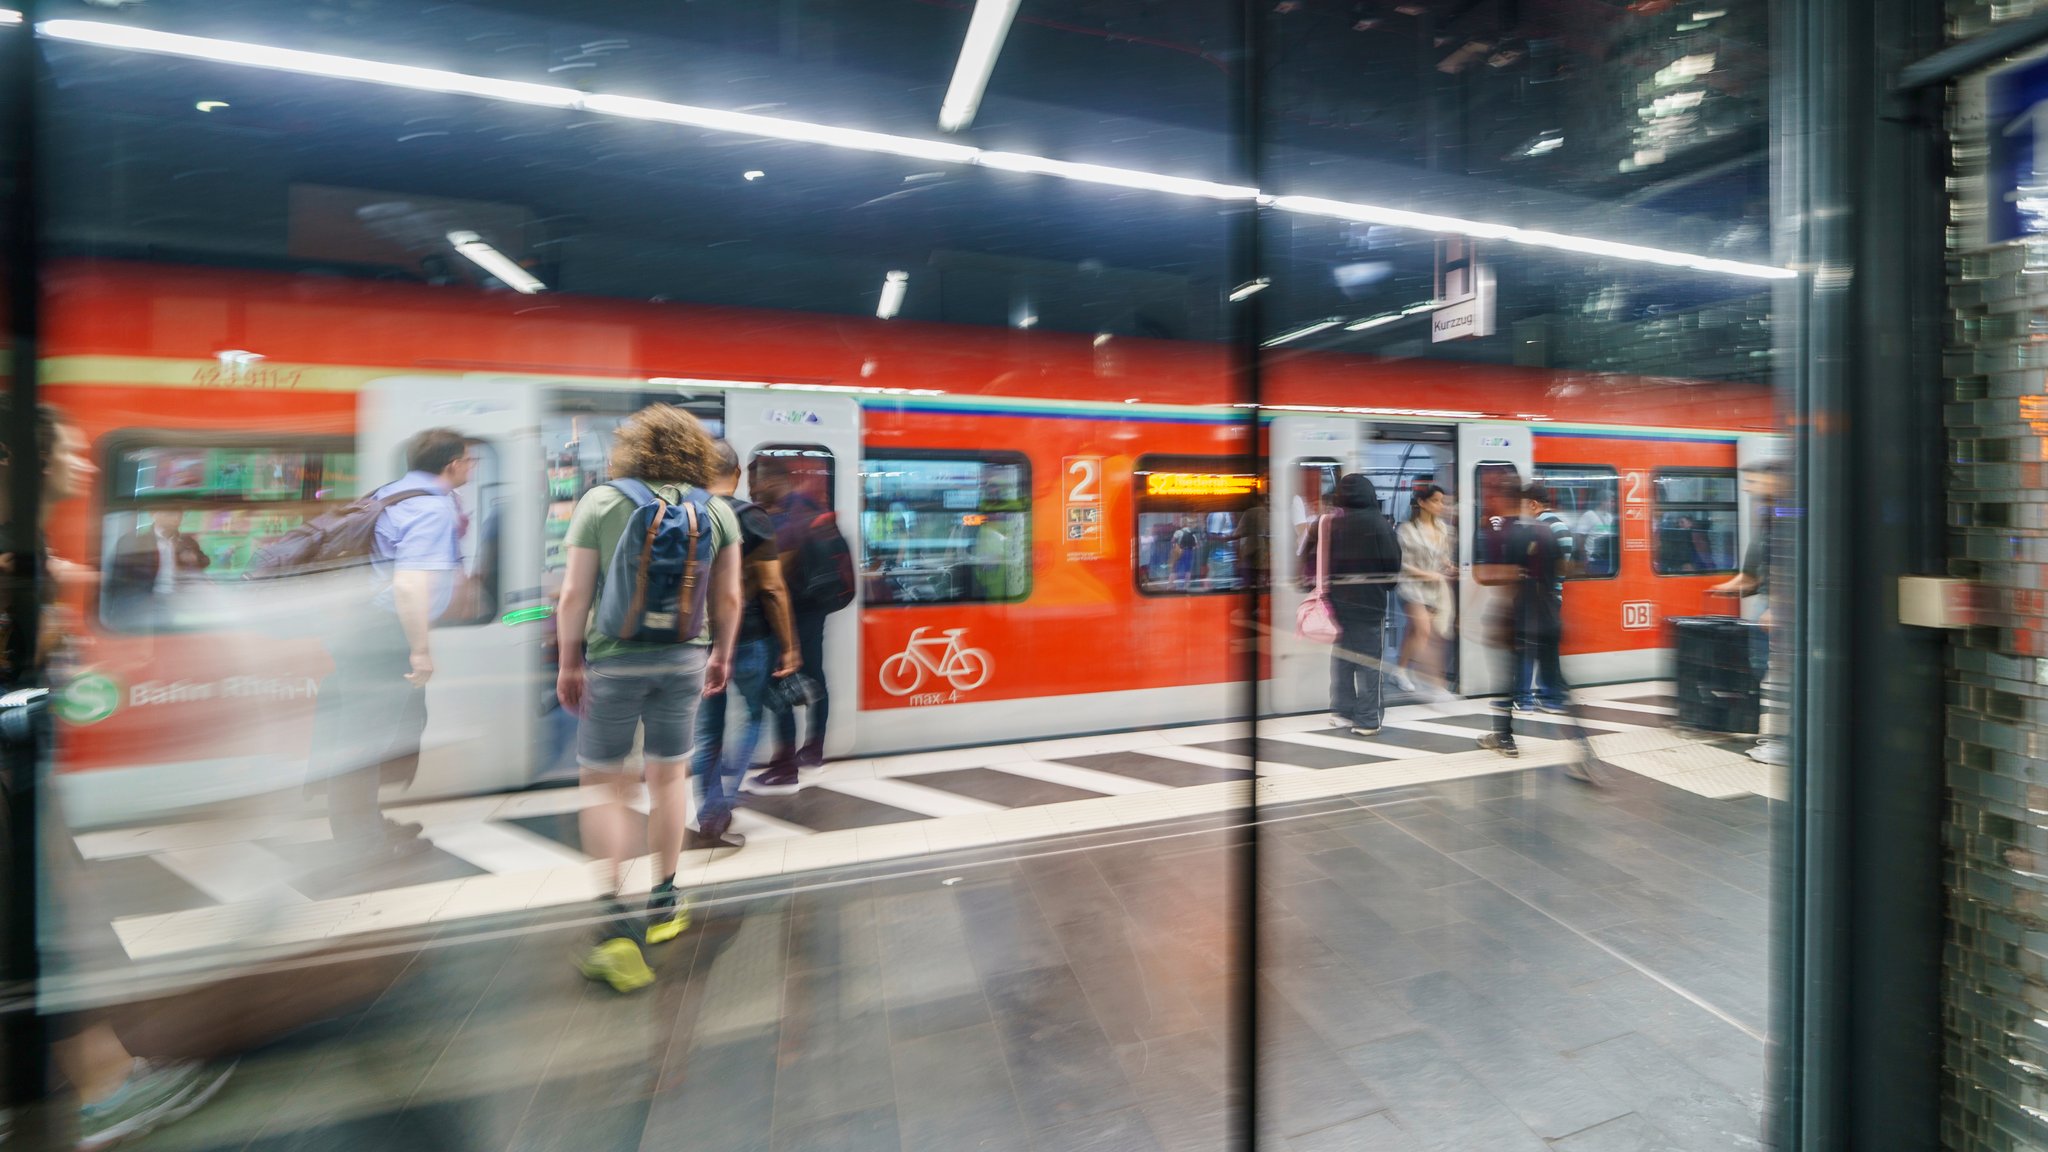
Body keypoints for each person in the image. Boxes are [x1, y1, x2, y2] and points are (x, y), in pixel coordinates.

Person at [555, 405, 740, 992]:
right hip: (686, 658)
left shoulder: (602, 501)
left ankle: (613, 916)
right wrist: (722, 655)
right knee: (668, 778)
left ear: (633, 448)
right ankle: (664, 901)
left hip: (613, 660)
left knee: (604, 783)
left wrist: (568, 663)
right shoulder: (714, 509)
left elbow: (572, 596)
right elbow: (729, 598)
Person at [308, 427, 475, 853]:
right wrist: (420, 649)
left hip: (359, 629)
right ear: (452, 464)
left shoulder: (393, 492)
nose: (471, 467)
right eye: (469, 460)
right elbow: (408, 586)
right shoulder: (431, 509)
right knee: (366, 739)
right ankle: (359, 841)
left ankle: (368, 826)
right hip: (382, 634)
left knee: (381, 732)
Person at [691, 441, 800, 848]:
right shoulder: (751, 518)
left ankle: (709, 809)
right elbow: (772, 588)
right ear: (736, 474)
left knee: (709, 733)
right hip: (750, 636)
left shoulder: (688, 514)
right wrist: (790, 646)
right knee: (751, 717)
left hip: (700, 640)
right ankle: (722, 804)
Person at [1475, 479, 1602, 780]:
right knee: (1557, 683)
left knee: (1507, 681)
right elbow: (1566, 570)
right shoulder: (1551, 533)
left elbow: (1495, 578)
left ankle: (1504, 739)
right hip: (1549, 616)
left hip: (1521, 618)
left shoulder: (1517, 534)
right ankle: (1584, 751)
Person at [747, 455, 829, 793]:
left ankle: (786, 764)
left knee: (781, 682)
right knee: (813, 675)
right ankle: (813, 749)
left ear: (769, 482)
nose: (751, 491)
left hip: (794, 612)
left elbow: (773, 575)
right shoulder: (805, 507)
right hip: (811, 608)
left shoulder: (785, 518)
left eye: (754, 483)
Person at [1710, 459, 1785, 766]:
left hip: (1780, 610)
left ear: (1776, 480)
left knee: (1785, 677)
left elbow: (1794, 568)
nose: (1747, 487)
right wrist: (1727, 587)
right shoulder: (1767, 517)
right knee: (1760, 670)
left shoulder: (1792, 515)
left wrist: (1778, 607)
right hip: (1766, 607)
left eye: (1754, 481)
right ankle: (1780, 737)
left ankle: (1788, 743)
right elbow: (1753, 573)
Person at [1324, 474, 1402, 735]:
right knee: (1370, 662)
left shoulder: (1333, 524)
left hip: (1338, 603)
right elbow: (1392, 567)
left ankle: (1343, 711)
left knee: (1343, 657)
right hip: (1369, 604)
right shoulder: (1380, 525)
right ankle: (1368, 719)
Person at [1515, 485, 1577, 714]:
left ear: (1533, 504)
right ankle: (1550, 696)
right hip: (1553, 596)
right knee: (1547, 648)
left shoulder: (1540, 529)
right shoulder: (1561, 527)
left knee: (1529, 646)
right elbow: (1564, 567)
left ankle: (1526, 697)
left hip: (1539, 597)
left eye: (1524, 506)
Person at [1394, 484, 1455, 698]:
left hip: (1433, 590)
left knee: (1414, 632)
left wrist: (1447, 565)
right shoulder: (1407, 530)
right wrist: (1428, 574)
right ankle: (1435, 684)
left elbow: (1441, 556)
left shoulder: (1443, 529)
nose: (1441, 506)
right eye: (1436, 501)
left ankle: (1400, 670)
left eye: (1442, 501)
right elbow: (1402, 564)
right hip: (1411, 588)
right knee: (1425, 631)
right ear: (1422, 502)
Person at [106, 507, 210, 630]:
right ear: (153, 514)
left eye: (180, 514)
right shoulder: (134, 542)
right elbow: (116, 581)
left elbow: (205, 562)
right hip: (147, 602)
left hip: (181, 601)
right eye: (170, 513)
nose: (176, 518)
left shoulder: (187, 542)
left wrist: (196, 559)